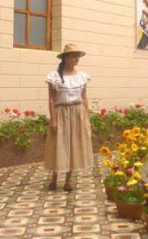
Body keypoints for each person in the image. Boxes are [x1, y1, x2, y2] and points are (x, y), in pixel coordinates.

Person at [45, 44, 93, 192]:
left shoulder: (82, 77)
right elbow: (52, 99)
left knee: (73, 145)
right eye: (73, 56)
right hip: (61, 113)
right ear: (65, 58)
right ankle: (54, 178)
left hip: (77, 114)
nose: (76, 59)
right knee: (59, 144)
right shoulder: (55, 77)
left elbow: (84, 98)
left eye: (77, 56)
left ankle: (68, 180)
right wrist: (53, 119)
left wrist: (87, 116)